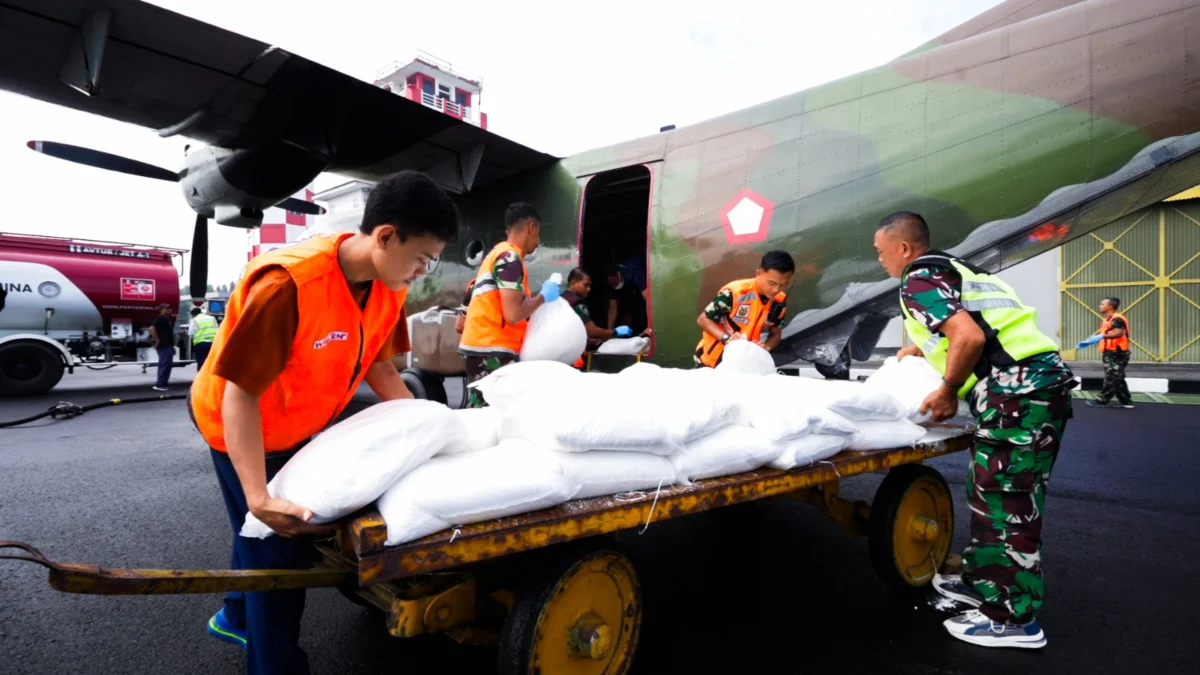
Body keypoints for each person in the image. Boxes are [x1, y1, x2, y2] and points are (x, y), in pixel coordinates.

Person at [188, 170, 460, 675]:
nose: (423, 270)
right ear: (384, 236)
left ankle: (233, 613)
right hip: (236, 423)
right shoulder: (288, 285)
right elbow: (240, 395)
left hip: (297, 423)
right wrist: (259, 496)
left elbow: (380, 366)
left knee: (255, 535)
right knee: (276, 554)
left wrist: (427, 428)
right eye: (422, 257)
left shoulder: (386, 284)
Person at [873, 210, 1076, 650]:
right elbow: (976, 325)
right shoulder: (957, 269)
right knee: (990, 491)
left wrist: (947, 390)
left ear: (904, 248)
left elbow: (969, 337)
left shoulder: (916, 278)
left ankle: (1012, 619)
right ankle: (986, 585)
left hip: (1016, 393)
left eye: (881, 251)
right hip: (1032, 388)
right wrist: (920, 345)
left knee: (1006, 500)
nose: (881, 261)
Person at [458, 202, 559, 407]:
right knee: (500, 414)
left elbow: (460, 324)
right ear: (531, 228)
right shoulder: (510, 259)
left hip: (481, 349)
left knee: (485, 412)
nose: (537, 242)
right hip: (492, 351)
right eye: (538, 233)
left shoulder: (495, 255)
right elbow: (513, 314)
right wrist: (543, 297)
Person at [694, 250, 794, 368]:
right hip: (711, 361)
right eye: (772, 283)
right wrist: (727, 339)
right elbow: (703, 319)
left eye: (783, 285)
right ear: (758, 273)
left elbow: (775, 334)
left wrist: (766, 347)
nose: (776, 290)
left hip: (743, 363)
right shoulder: (736, 293)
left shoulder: (779, 300)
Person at [1078, 296, 1134, 408]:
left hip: (1117, 353)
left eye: (1103, 304)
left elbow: (1119, 333)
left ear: (1110, 306)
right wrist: (1091, 341)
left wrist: (1101, 336)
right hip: (1110, 353)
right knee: (1118, 377)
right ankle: (1126, 401)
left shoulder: (1117, 319)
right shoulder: (1108, 319)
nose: (1100, 306)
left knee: (1111, 377)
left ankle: (1102, 400)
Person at [604, 264, 649, 335]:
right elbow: (613, 310)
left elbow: (648, 300)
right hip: (630, 295)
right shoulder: (612, 285)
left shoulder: (634, 272)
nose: (614, 286)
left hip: (639, 294)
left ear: (618, 274)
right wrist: (609, 333)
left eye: (615, 283)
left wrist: (650, 327)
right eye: (612, 285)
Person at [149, 303, 175, 391]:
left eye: (170, 308)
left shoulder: (166, 319)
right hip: (164, 346)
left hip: (167, 345)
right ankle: (160, 384)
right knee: (165, 365)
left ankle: (163, 383)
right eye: (167, 308)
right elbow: (152, 328)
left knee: (166, 365)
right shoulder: (160, 319)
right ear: (162, 310)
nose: (169, 310)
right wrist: (157, 340)